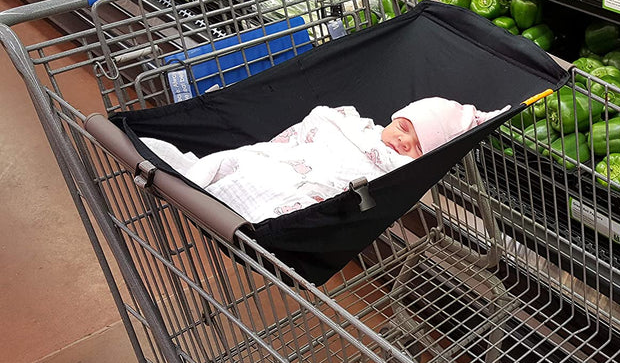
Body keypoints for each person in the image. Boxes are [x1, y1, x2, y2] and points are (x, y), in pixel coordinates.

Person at [142, 97, 506, 222]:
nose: (400, 142)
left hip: (317, 182)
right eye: (403, 127)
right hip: (291, 157)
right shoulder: (354, 126)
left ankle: (242, 205)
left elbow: (385, 175)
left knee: (284, 191)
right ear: (394, 117)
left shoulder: (396, 169)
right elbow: (319, 123)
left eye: (414, 146)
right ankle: (195, 172)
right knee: (250, 159)